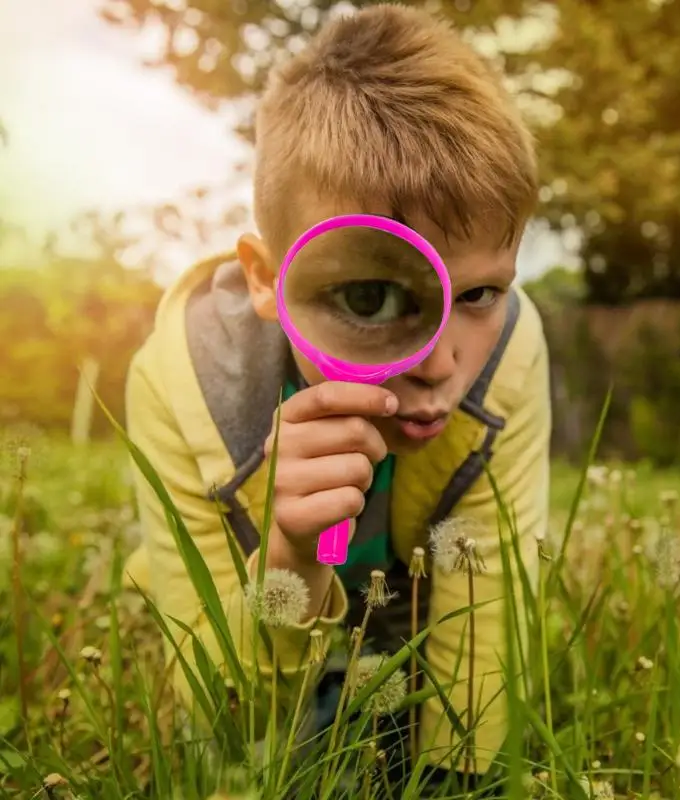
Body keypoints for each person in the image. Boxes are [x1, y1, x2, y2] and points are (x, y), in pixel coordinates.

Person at [123, 3, 551, 793]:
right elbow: (227, 729)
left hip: (401, 600)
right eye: (369, 297)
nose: (442, 363)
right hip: (254, 620)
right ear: (264, 277)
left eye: (482, 292)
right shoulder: (186, 385)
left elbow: (483, 664)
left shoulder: (510, 360)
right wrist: (289, 558)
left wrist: (460, 779)